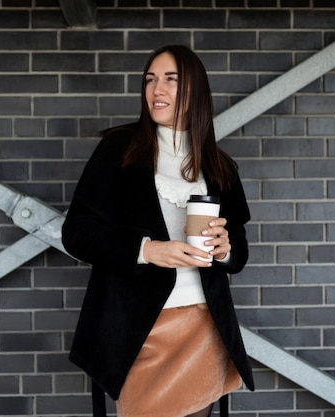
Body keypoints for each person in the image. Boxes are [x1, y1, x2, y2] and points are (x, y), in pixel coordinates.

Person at [62, 45, 255, 417]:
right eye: (150, 80)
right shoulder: (120, 148)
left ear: (195, 90)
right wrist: (148, 250)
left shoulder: (219, 165)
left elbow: (239, 250)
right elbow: (77, 232)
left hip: (203, 325)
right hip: (139, 330)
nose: (157, 89)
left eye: (171, 79)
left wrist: (225, 248)